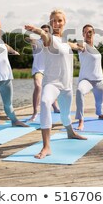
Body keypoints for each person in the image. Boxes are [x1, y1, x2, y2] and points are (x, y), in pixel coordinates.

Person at [25, 9, 86, 159]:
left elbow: (71, 45)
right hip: (52, 83)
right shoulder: (48, 39)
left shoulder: (65, 42)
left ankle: (70, 132)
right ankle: (46, 146)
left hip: (66, 85)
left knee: (65, 115)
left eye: (59, 20)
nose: (56, 23)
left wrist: (80, 46)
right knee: (45, 102)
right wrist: (38, 31)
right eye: (53, 20)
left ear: (64, 22)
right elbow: (45, 36)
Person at [75, 24, 103, 131]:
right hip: (86, 80)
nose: (88, 34)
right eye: (85, 32)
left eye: (90, 31)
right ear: (83, 34)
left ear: (94, 33)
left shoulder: (95, 49)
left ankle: (100, 114)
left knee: (99, 102)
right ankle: (81, 120)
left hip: (99, 80)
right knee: (79, 91)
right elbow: (76, 45)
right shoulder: (82, 45)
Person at [27, 24, 60, 122]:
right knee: (38, 86)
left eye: (46, 31)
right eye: (42, 31)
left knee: (51, 88)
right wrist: (31, 39)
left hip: (49, 70)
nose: (44, 32)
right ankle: (35, 112)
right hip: (38, 70)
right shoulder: (37, 42)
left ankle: (55, 106)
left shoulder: (53, 43)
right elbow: (28, 39)